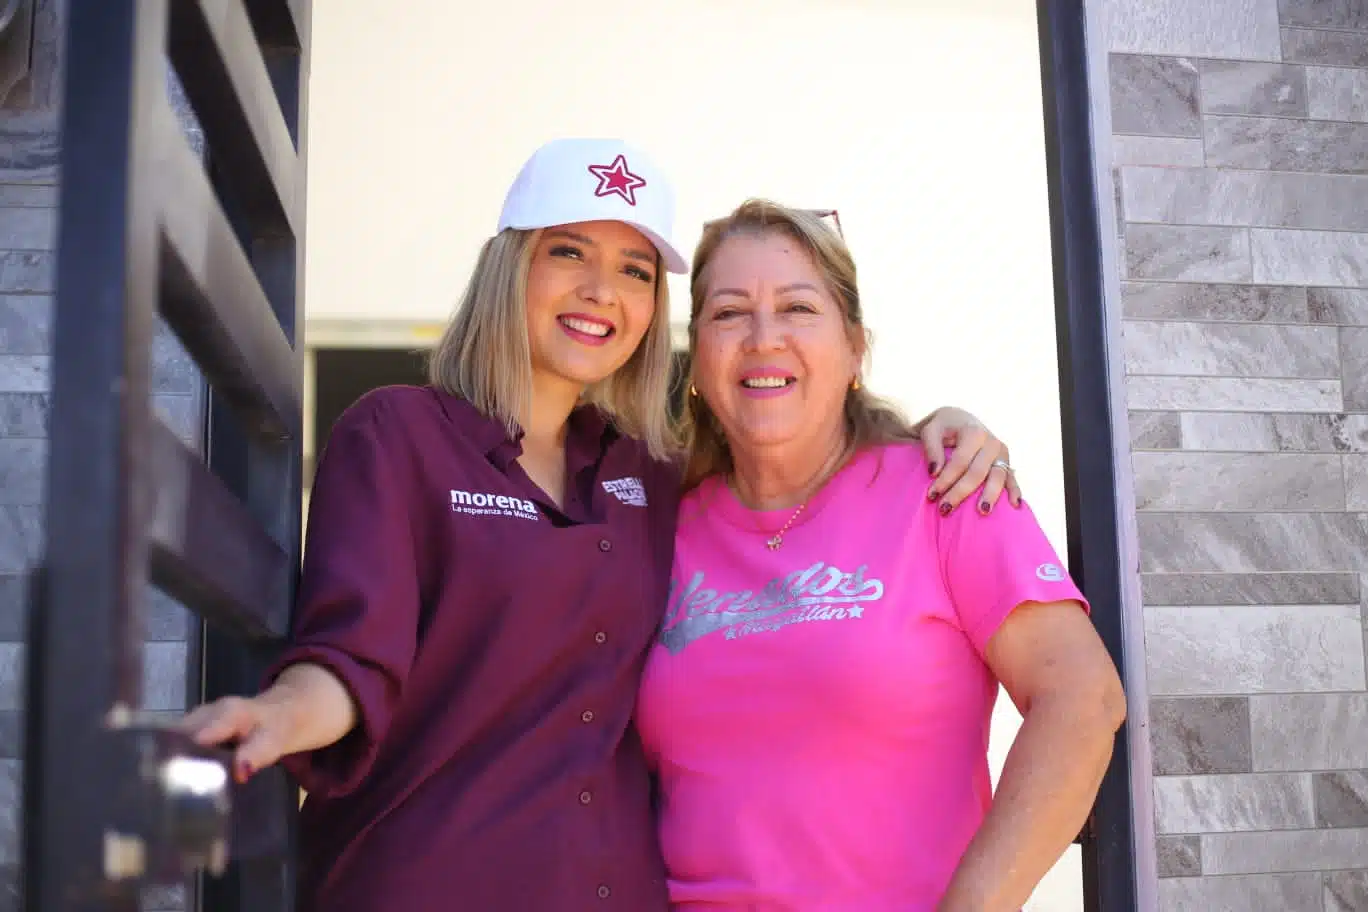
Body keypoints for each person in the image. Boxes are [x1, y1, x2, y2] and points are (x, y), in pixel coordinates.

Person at [179, 139, 1022, 911]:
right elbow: (351, 652)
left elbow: (795, 438)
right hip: (418, 884)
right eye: (569, 252)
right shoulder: (397, 435)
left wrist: (936, 427)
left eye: (635, 270)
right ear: (511, 264)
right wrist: (281, 717)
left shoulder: (649, 477)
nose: (600, 291)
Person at [635, 200, 1126, 911]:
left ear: (855, 347)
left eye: (799, 308)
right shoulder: (657, 527)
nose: (763, 336)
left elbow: (1081, 699)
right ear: (698, 357)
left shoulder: (947, 491)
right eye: (729, 312)